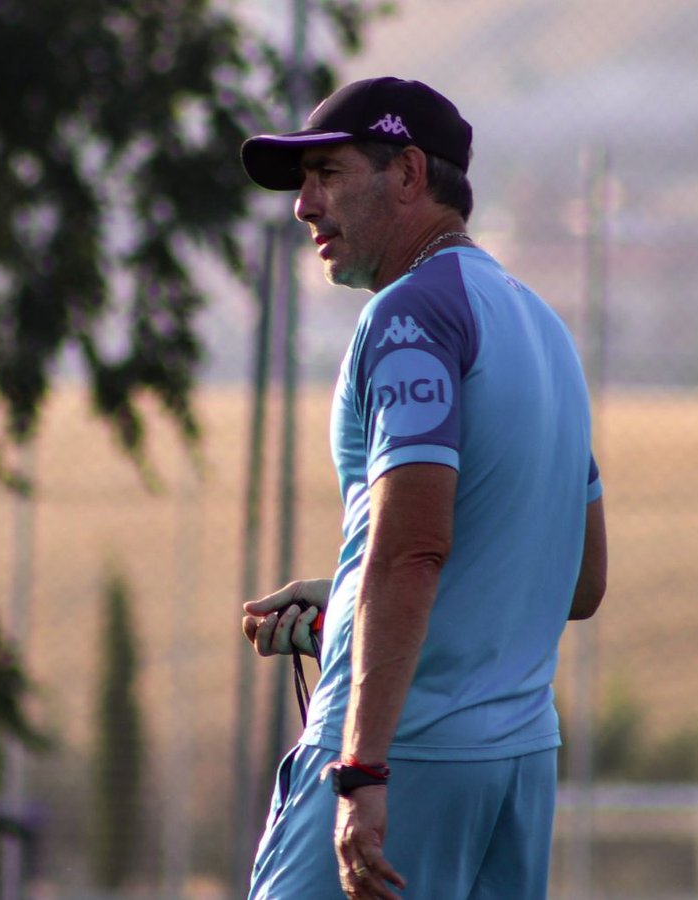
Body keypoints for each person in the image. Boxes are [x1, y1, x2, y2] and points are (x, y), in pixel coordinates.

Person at [236, 77, 608, 899]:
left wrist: (361, 767)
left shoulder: (409, 317)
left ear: (407, 173)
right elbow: (577, 583)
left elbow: (411, 552)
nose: (304, 206)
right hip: (517, 772)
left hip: (407, 759)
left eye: (328, 174)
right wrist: (347, 604)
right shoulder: (545, 328)